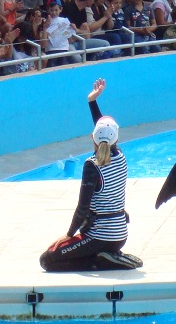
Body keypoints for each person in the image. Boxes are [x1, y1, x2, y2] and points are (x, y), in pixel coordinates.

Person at [40, 79, 143, 272]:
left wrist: (69, 235)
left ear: (92, 137)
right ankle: (109, 255)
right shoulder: (120, 156)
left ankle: (101, 261)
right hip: (120, 235)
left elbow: (82, 208)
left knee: (47, 260)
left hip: (99, 237)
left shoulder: (92, 166)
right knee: (60, 255)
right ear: (116, 139)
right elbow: (105, 132)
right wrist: (92, 102)